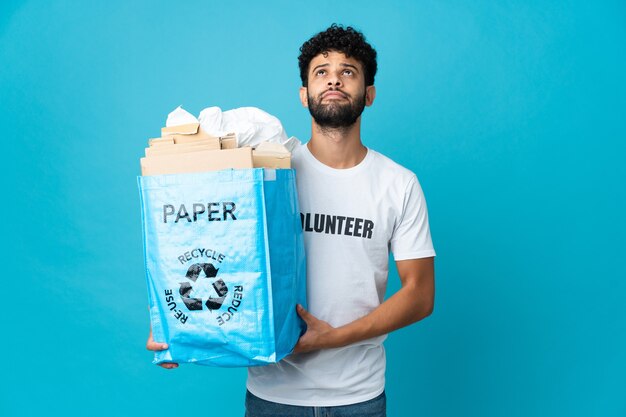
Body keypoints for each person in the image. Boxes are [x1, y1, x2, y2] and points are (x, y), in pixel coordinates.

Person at [147, 24, 436, 417]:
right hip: (274, 396)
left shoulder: (399, 184)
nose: (334, 77)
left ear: (369, 94)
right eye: (322, 71)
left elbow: (419, 294)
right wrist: (180, 322)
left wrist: (333, 339)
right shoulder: (267, 172)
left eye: (348, 70)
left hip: (358, 397)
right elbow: (212, 242)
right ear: (304, 95)